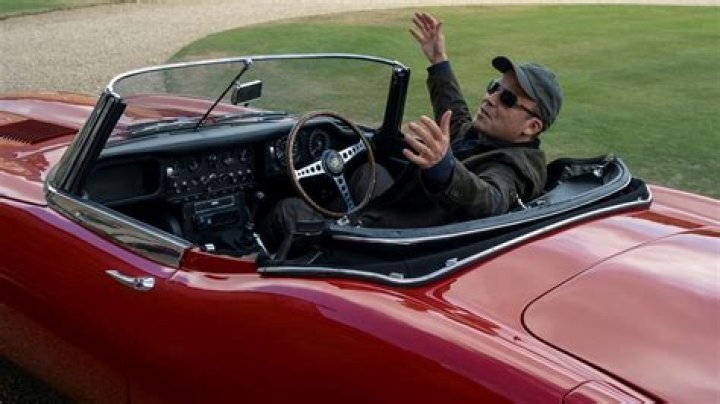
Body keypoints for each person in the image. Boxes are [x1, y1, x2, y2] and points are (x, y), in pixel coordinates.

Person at [259, 12, 563, 252]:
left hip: (403, 241)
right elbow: (455, 115)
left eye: (506, 98)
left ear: (531, 126)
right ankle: (342, 222)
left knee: (288, 211)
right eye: (494, 87)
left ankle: (258, 260)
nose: (490, 98)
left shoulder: (517, 168)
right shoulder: (488, 139)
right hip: (416, 213)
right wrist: (439, 62)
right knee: (369, 172)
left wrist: (444, 168)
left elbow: (489, 200)